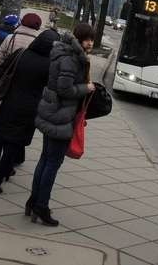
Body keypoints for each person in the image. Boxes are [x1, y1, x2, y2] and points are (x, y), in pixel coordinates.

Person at [30, 23, 96, 226]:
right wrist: (87, 88)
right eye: (87, 39)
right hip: (60, 116)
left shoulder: (65, 52)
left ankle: (33, 203)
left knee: (45, 159)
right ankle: (41, 206)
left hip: (52, 111)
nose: (91, 43)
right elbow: (64, 89)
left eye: (92, 40)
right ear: (79, 38)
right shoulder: (71, 58)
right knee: (52, 163)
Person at [0, 30, 60, 194]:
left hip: (9, 102)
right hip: (30, 109)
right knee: (14, 144)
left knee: (4, 138)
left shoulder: (21, 54)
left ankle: (3, 169)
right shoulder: (49, 65)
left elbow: (0, 70)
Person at [0, 12, 42, 169]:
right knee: (19, 127)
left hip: (4, 88)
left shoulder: (10, 38)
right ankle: (14, 159)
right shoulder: (38, 44)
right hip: (25, 91)